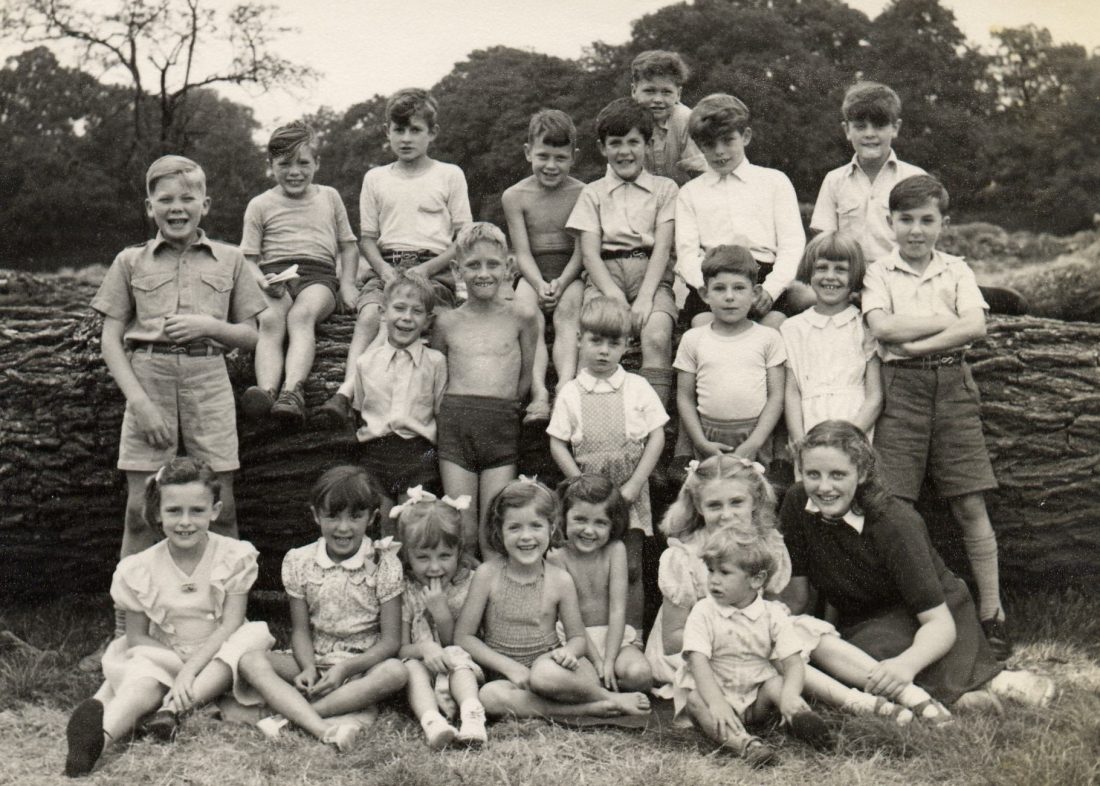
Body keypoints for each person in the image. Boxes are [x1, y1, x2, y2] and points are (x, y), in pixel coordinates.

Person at [86, 154, 265, 665]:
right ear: (150, 208)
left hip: (209, 380)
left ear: (205, 204)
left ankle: (226, 630)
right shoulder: (130, 261)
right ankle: (126, 632)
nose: (177, 207)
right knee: (141, 513)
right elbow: (110, 338)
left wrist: (211, 328)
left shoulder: (230, 260)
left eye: (187, 198)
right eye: (165, 199)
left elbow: (254, 332)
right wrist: (139, 402)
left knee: (222, 509)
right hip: (150, 379)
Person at [780, 420, 1057, 711]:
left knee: (871, 665)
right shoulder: (797, 502)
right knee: (819, 656)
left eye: (838, 475)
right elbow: (797, 596)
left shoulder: (894, 522)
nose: (824, 487)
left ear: (861, 473)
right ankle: (959, 698)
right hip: (865, 620)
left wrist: (905, 666)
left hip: (930, 618)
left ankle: (989, 685)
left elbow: (940, 624)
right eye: (813, 474)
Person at [862, 174, 1011, 658]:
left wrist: (917, 343)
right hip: (900, 392)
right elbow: (882, 326)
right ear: (890, 222)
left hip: (952, 387)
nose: (916, 231)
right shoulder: (879, 272)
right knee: (894, 505)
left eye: (927, 220)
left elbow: (977, 326)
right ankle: (904, 611)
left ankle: (992, 611)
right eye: (906, 220)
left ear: (943, 223)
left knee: (969, 501)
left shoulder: (956, 271)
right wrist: (950, 324)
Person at [63, 458, 273, 777]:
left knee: (248, 639)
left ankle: (171, 709)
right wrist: (178, 666)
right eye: (174, 511)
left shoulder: (233, 555)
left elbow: (231, 623)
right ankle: (96, 742)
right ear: (158, 513)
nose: (185, 522)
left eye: (197, 511)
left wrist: (190, 670)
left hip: (219, 652)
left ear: (214, 511)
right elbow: (136, 637)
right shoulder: (139, 568)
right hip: (168, 653)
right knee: (144, 681)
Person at [675, 529, 915, 768]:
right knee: (695, 699)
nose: (714, 579)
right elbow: (698, 661)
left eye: (724, 572)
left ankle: (801, 720)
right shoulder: (704, 611)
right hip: (715, 694)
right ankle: (747, 745)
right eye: (711, 570)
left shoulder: (772, 614)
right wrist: (717, 702)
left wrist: (789, 695)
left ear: (756, 580)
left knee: (777, 684)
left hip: (756, 698)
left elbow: (793, 662)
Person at [317, 88, 471, 428]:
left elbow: (463, 238)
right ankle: (345, 393)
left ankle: (441, 405)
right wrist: (384, 270)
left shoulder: (449, 175)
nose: (405, 138)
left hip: (434, 269)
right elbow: (367, 239)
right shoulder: (376, 178)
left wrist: (427, 269)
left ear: (432, 133)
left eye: (415, 130)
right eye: (398, 130)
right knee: (371, 315)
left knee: (439, 324)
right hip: (387, 266)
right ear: (387, 131)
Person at [238, 466, 408, 750]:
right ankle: (321, 725)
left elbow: (391, 641)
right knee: (250, 661)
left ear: (372, 518)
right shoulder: (299, 560)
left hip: (362, 666)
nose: (343, 528)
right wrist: (306, 667)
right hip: (315, 659)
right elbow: (301, 630)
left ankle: (291, 717)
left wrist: (346, 669)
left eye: (355, 517)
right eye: (332, 516)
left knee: (396, 672)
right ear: (316, 515)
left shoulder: (384, 563)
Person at [453, 478, 652, 720]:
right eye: (514, 528)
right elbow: (464, 637)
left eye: (536, 526)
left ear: (552, 528)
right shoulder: (487, 574)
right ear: (499, 530)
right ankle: (591, 706)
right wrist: (510, 668)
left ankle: (597, 697)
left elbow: (578, 637)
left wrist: (568, 652)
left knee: (544, 675)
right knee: (489, 696)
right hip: (507, 677)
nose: (526, 537)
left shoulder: (560, 579)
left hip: (557, 672)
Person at [547, 297, 667, 627]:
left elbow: (657, 436)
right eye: (595, 341)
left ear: (626, 346)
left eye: (613, 344)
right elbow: (557, 442)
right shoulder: (571, 391)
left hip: (628, 491)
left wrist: (634, 485)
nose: (603, 351)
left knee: (629, 568)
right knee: (589, 564)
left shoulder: (637, 386)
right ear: (580, 340)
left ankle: (632, 636)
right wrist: (580, 485)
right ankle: (585, 634)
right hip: (587, 491)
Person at [239, 121, 358, 424]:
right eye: (285, 164)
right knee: (269, 319)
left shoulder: (329, 197)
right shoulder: (260, 204)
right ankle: (266, 391)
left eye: (303, 163)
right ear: (271, 165)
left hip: (318, 277)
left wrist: (346, 285)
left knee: (301, 316)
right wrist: (262, 281)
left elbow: (348, 246)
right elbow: (248, 260)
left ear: (317, 163)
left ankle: (292, 391)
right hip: (274, 278)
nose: (295, 171)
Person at [566, 96, 679, 411]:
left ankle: (652, 421)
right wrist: (613, 294)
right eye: (615, 143)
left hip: (651, 275)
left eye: (633, 142)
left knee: (656, 335)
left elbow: (663, 248)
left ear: (648, 143)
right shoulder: (593, 193)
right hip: (605, 275)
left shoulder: (665, 189)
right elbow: (589, 254)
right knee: (595, 334)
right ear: (603, 148)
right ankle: (584, 416)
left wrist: (645, 298)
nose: (625, 151)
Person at [645, 454, 791, 694]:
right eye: (714, 505)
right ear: (699, 506)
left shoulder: (768, 544)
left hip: (750, 641)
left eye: (736, 502)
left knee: (807, 633)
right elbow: (673, 639)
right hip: (697, 652)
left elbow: (772, 603)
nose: (726, 514)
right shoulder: (685, 557)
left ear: (754, 501)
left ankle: (864, 696)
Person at [433, 222, 538, 555]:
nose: (483, 273)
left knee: (494, 531)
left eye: (493, 264)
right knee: (461, 530)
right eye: (473, 265)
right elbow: (436, 376)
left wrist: (505, 410)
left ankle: (496, 605)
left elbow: (524, 375)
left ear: (508, 267)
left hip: (500, 426)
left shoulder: (522, 316)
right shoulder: (447, 322)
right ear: (456, 269)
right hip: (456, 427)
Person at [674, 93, 809, 328]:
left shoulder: (774, 181)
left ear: (745, 136)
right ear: (699, 145)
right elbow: (687, 255)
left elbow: (792, 245)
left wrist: (770, 289)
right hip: (712, 282)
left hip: (763, 280)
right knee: (705, 331)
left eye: (728, 141)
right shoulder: (690, 193)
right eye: (709, 144)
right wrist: (708, 290)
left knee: (773, 329)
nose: (719, 151)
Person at [501, 109, 586, 420]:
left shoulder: (583, 193)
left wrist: (562, 283)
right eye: (543, 156)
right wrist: (538, 285)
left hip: (571, 271)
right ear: (528, 153)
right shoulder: (515, 196)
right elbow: (521, 252)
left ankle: (565, 385)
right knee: (526, 313)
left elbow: (582, 250)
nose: (551, 166)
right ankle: (538, 391)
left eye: (560, 158)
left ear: (573, 157)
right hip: (531, 272)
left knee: (568, 312)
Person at [392, 487, 489, 748]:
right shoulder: (405, 589)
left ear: (459, 551)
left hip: (459, 665)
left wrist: (441, 612)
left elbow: (459, 642)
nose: (435, 567)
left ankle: (472, 713)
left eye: (444, 556)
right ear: (407, 556)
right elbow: (399, 646)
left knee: (458, 658)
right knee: (411, 666)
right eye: (423, 557)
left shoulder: (468, 584)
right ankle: (432, 721)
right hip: (422, 669)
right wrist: (424, 648)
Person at [674, 246, 785, 464]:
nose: (729, 297)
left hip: (756, 435)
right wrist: (700, 442)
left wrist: (754, 442)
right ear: (705, 294)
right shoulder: (693, 339)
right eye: (719, 288)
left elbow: (776, 397)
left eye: (739, 288)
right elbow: (685, 398)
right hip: (708, 435)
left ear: (755, 293)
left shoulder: (768, 338)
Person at [351, 272, 447, 520]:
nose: (407, 318)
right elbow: (361, 407)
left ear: (428, 320)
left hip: (418, 455)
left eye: (417, 311)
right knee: (383, 525)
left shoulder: (436, 363)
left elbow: (439, 409)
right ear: (383, 313)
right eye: (399, 308)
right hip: (376, 452)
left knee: (411, 523)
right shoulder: (365, 363)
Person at [547, 475, 653, 691]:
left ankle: (607, 683)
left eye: (600, 523)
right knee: (580, 680)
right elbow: (572, 620)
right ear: (564, 517)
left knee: (640, 675)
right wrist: (596, 662)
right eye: (580, 520)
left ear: (613, 524)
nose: (589, 530)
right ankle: (603, 690)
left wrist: (610, 661)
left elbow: (617, 610)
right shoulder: (557, 556)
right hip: (575, 640)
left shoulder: (615, 550)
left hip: (615, 639)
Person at [809, 82, 925, 266]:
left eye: (879, 126)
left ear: (895, 128)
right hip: (849, 280)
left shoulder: (915, 179)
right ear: (847, 130)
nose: (869, 134)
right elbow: (824, 242)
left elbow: (923, 243)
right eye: (861, 127)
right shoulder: (834, 180)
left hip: (898, 278)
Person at [780, 232, 882, 443]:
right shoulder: (793, 328)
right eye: (822, 268)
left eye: (841, 270)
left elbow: (875, 396)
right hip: (809, 425)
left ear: (854, 276)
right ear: (809, 271)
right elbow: (792, 392)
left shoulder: (864, 325)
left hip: (855, 425)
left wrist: (850, 437)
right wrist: (799, 441)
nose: (830, 276)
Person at [628, 50, 707, 186]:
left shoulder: (686, 120)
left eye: (666, 92)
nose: (658, 99)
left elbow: (699, 174)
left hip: (684, 196)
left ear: (678, 94)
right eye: (649, 91)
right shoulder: (626, 121)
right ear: (634, 91)